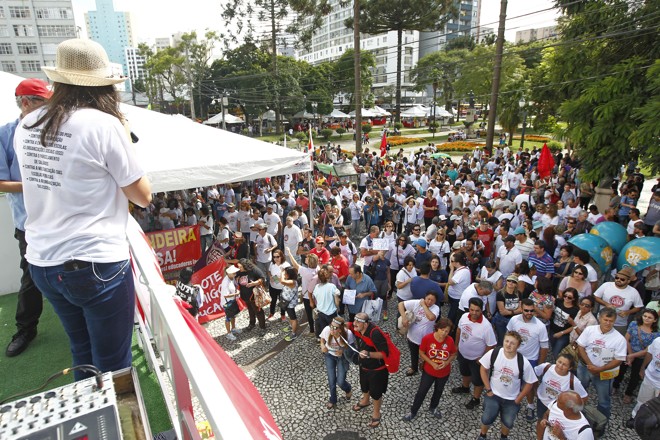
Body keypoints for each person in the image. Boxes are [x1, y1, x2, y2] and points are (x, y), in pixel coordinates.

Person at [14, 40, 152, 379]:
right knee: (114, 364)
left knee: (81, 352)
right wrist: (121, 132)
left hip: (43, 260)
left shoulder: (27, 124)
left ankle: (88, 430)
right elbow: (142, 195)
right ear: (103, 85)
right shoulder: (103, 125)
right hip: (95, 261)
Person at [1, 78, 51, 357]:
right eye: (45, 104)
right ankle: (26, 328)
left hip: (63, 219)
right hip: (29, 224)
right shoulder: (5, 134)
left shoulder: (58, 130)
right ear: (25, 103)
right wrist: (36, 182)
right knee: (31, 277)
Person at [477, 331, 538, 440]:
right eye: (507, 341)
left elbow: (530, 382)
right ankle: (482, 435)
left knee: (508, 422)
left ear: (518, 346)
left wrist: (519, 398)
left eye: (512, 343)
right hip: (493, 394)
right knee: (486, 418)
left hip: (512, 399)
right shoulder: (494, 353)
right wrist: (488, 388)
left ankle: (503, 437)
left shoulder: (523, 362)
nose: (508, 345)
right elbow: (483, 368)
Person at [576, 307, 627, 423]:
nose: (608, 323)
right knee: (579, 392)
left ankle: (601, 423)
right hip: (584, 368)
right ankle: (577, 416)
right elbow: (581, 346)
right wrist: (590, 365)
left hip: (604, 373)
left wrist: (600, 369)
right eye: (605, 320)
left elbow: (618, 359)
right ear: (600, 318)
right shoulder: (590, 330)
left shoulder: (619, 339)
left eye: (611, 321)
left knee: (604, 400)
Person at [402, 318, 457, 422]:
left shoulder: (450, 340)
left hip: (444, 372)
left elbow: (453, 353)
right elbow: (421, 352)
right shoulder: (427, 338)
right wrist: (431, 363)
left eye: (447, 331)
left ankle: (433, 407)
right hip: (429, 371)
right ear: (437, 328)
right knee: (422, 391)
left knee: (439, 391)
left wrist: (447, 362)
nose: (444, 333)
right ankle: (413, 411)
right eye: (442, 330)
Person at [507, 298, 550, 420]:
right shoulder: (513, 320)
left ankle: (530, 406)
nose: (529, 313)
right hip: (514, 357)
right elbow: (508, 336)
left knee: (529, 385)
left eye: (532, 311)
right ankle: (512, 401)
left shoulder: (540, 326)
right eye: (526, 310)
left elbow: (544, 347)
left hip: (530, 359)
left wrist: (539, 365)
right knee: (512, 379)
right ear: (521, 308)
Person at [453, 297, 497, 410]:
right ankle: (465, 387)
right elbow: (458, 330)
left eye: (477, 310)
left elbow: (491, 344)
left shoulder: (486, 326)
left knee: (477, 380)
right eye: (472, 310)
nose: (474, 313)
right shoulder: (464, 317)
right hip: (463, 353)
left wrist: (482, 358)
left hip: (476, 359)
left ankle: (476, 399)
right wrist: (456, 345)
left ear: (481, 310)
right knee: (465, 372)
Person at [534, 354, 589, 439]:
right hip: (542, 402)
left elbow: (584, 397)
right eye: (559, 362)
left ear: (570, 368)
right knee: (541, 422)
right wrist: (534, 389)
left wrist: (573, 410)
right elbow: (534, 374)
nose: (560, 366)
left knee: (557, 427)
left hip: (559, 409)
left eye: (564, 364)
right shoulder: (547, 367)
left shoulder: (573, 381)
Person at [352, 312, 389, 429]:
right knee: (364, 386)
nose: (355, 323)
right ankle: (365, 400)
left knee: (376, 392)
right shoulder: (357, 330)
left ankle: (376, 413)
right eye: (354, 320)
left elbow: (384, 354)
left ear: (366, 324)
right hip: (364, 366)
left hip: (377, 370)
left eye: (359, 321)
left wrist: (368, 354)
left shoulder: (375, 334)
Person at [614, 309, 660, 403]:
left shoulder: (655, 334)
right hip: (628, 351)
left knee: (635, 376)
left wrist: (633, 356)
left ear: (655, 320)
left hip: (641, 357)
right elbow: (626, 339)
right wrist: (630, 355)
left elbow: (648, 350)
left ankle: (628, 393)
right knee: (621, 370)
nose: (646, 319)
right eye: (645, 316)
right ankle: (615, 386)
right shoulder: (634, 324)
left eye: (649, 317)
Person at [398, 292, 440, 377]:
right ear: (425, 297)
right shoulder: (416, 302)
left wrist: (424, 306)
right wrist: (404, 317)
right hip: (412, 336)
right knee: (413, 353)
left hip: (426, 338)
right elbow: (401, 304)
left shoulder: (435, 308)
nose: (429, 302)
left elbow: (431, 317)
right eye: (428, 299)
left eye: (432, 300)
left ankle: (425, 367)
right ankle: (414, 368)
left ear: (435, 301)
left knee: (426, 354)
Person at [593, 266, 644, 334]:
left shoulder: (633, 292)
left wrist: (627, 312)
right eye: (617, 278)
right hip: (602, 321)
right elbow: (596, 296)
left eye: (622, 279)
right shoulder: (606, 285)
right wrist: (606, 304)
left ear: (628, 281)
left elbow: (638, 306)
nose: (618, 280)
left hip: (620, 324)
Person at [320, 316, 354, 409]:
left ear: (340, 329)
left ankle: (348, 389)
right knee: (331, 379)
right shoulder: (327, 330)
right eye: (331, 326)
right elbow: (322, 340)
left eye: (335, 328)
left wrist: (342, 351)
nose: (332, 329)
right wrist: (323, 346)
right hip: (329, 355)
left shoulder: (348, 333)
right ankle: (333, 399)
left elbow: (351, 347)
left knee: (340, 381)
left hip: (341, 358)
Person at [627, 336, 660, 429]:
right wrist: (643, 368)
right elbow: (649, 354)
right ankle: (635, 417)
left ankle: (653, 424)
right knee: (642, 400)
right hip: (650, 378)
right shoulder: (657, 341)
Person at [236, 258, 267, 331]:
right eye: (238, 267)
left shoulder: (254, 270)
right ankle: (252, 323)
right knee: (250, 310)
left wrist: (255, 283)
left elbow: (262, 278)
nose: (239, 268)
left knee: (258, 311)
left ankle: (262, 327)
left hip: (254, 296)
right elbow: (234, 276)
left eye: (241, 267)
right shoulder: (240, 271)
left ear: (245, 266)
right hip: (245, 296)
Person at [550, 287, 580, 359]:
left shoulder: (575, 310)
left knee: (556, 353)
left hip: (564, 335)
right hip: (552, 330)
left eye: (569, 297)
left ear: (574, 299)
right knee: (552, 347)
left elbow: (574, 325)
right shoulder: (558, 301)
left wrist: (562, 333)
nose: (566, 298)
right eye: (565, 296)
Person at [311, 266, 341, 338]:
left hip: (321, 312)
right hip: (331, 312)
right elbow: (337, 302)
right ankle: (333, 341)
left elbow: (314, 297)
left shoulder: (317, 287)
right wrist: (337, 306)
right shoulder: (332, 286)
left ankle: (325, 341)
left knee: (324, 329)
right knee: (333, 329)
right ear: (327, 277)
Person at [493, 275, 523, 344]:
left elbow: (520, 309)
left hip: (514, 319)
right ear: (506, 282)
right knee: (501, 339)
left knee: (512, 339)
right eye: (509, 280)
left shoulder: (519, 293)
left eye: (513, 282)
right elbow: (502, 312)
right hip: (501, 320)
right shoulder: (500, 294)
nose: (511, 283)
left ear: (516, 284)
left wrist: (509, 312)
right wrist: (515, 311)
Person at [220, 265, 242, 341]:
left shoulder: (231, 278)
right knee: (228, 318)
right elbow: (225, 295)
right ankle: (228, 333)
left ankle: (233, 328)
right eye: (234, 273)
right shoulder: (225, 282)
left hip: (232, 300)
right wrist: (236, 294)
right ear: (229, 273)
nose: (235, 274)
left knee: (233, 315)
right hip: (227, 302)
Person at [280, 267, 300, 342]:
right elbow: (280, 281)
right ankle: (291, 326)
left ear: (289, 275)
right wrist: (274, 277)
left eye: (285, 273)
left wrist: (281, 272)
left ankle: (293, 333)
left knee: (293, 318)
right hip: (286, 301)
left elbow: (282, 281)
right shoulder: (288, 280)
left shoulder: (292, 282)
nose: (284, 274)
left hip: (290, 304)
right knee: (290, 316)